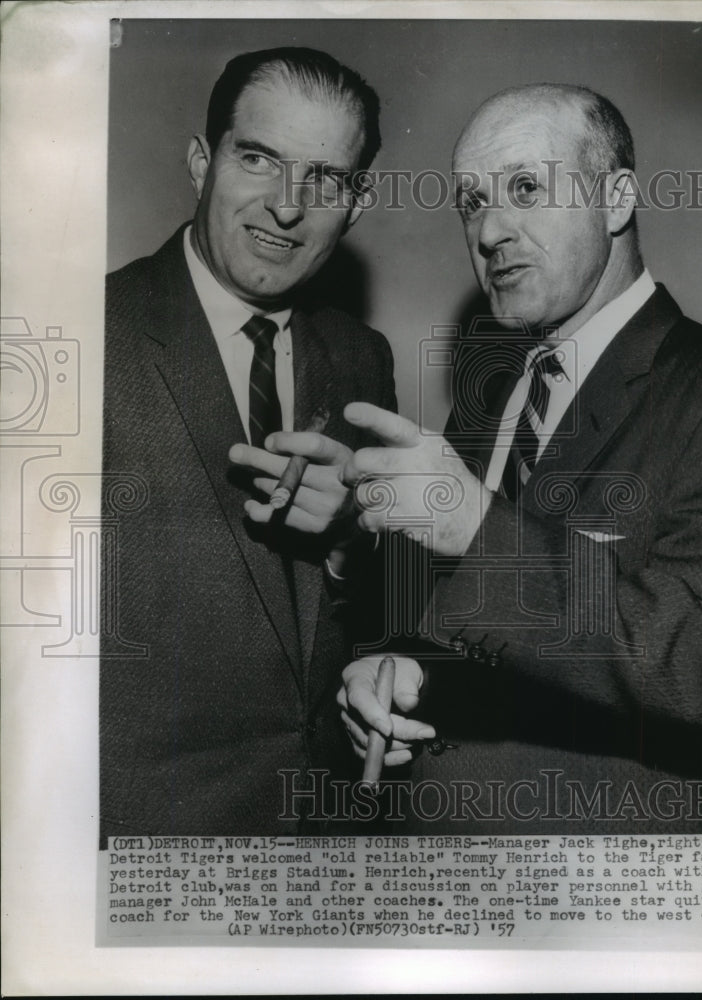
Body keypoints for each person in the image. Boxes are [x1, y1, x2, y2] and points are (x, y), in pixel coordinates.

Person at [338, 84, 702, 833]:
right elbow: (475, 625)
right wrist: (401, 670)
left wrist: (480, 528)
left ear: (616, 200)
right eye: (471, 201)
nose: (492, 229)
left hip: (608, 903)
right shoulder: (492, 399)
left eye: (527, 189)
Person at [100, 47, 396, 842]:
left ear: (356, 205)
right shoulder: (84, 336)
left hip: (328, 834)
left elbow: (371, 617)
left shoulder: (363, 358)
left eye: (325, 181)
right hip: (142, 843)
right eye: (259, 158)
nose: (287, 207)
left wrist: (349, 538)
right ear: (202, 162)